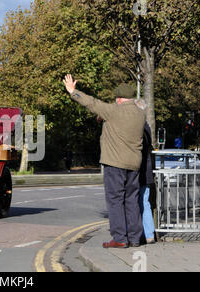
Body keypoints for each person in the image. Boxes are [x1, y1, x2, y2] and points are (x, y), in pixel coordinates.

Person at [63, 74, 145, 248]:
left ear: (120, 99)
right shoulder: (140, 114)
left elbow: (92, 103)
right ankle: (135, 237)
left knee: (115, 200)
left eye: (116, 99)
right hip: (134, 164)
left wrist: (73, 91)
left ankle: (120, 238)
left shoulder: (113, 111)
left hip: (115, 163)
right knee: (131, 200)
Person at [135, 99, 156, 244]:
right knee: (145, 201)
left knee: (136, 202)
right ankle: (149, 234)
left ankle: (141, 233)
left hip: (138, 170)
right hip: (146, 171)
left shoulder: (137, 127)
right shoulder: (147, 126)